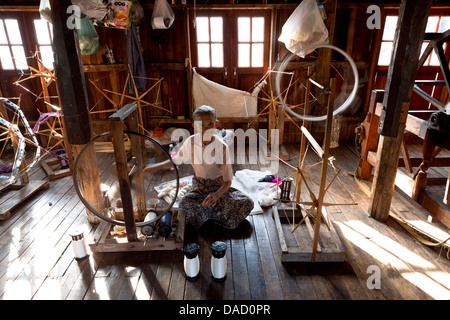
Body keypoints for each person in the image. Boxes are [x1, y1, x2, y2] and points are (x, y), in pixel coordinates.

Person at [143, 105, 253, 230]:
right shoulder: (190, 142)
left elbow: (227, 181)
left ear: (216, 125)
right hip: (199, 188)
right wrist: (155, 167)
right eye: (201, 125)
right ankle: (213, 214)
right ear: (195, 126)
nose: (206, 129)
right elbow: (176, 161)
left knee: (247, 203)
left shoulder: (222, 147)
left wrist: (216, 196)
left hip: (218, 187)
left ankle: (208, 215)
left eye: (209, 124)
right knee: (185, 202)